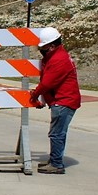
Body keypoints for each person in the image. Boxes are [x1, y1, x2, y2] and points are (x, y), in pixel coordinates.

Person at [29, 27, 81, 175]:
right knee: (57, 133)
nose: (41, 50)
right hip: (64, 100)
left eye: (43, 47)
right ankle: (54, 160)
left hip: (64, 102)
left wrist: (34, 95)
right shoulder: (58, 56)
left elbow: (47, 83)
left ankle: (57, 164)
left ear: (51, 46)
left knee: (56, 134)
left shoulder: (59, 60)